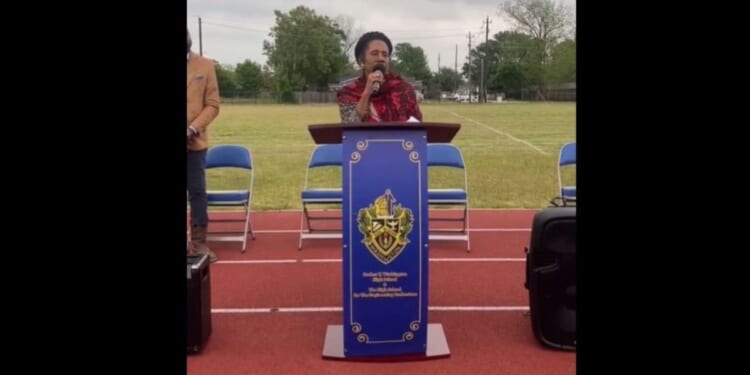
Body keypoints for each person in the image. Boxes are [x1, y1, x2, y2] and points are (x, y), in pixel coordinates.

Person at [337, 31, 422, 123]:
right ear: (361, 60)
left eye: (385, 55)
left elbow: (417, 127)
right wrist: (367, 92)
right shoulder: (348, 92)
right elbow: (350, 127)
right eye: (374, 53)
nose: (381, 58)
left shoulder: (404, 89)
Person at [187, 29, 220, 262]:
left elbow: (213, 105)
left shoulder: (206, 66)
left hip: (194, 141)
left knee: (197, 192)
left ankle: (199, 244)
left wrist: (192, 128)